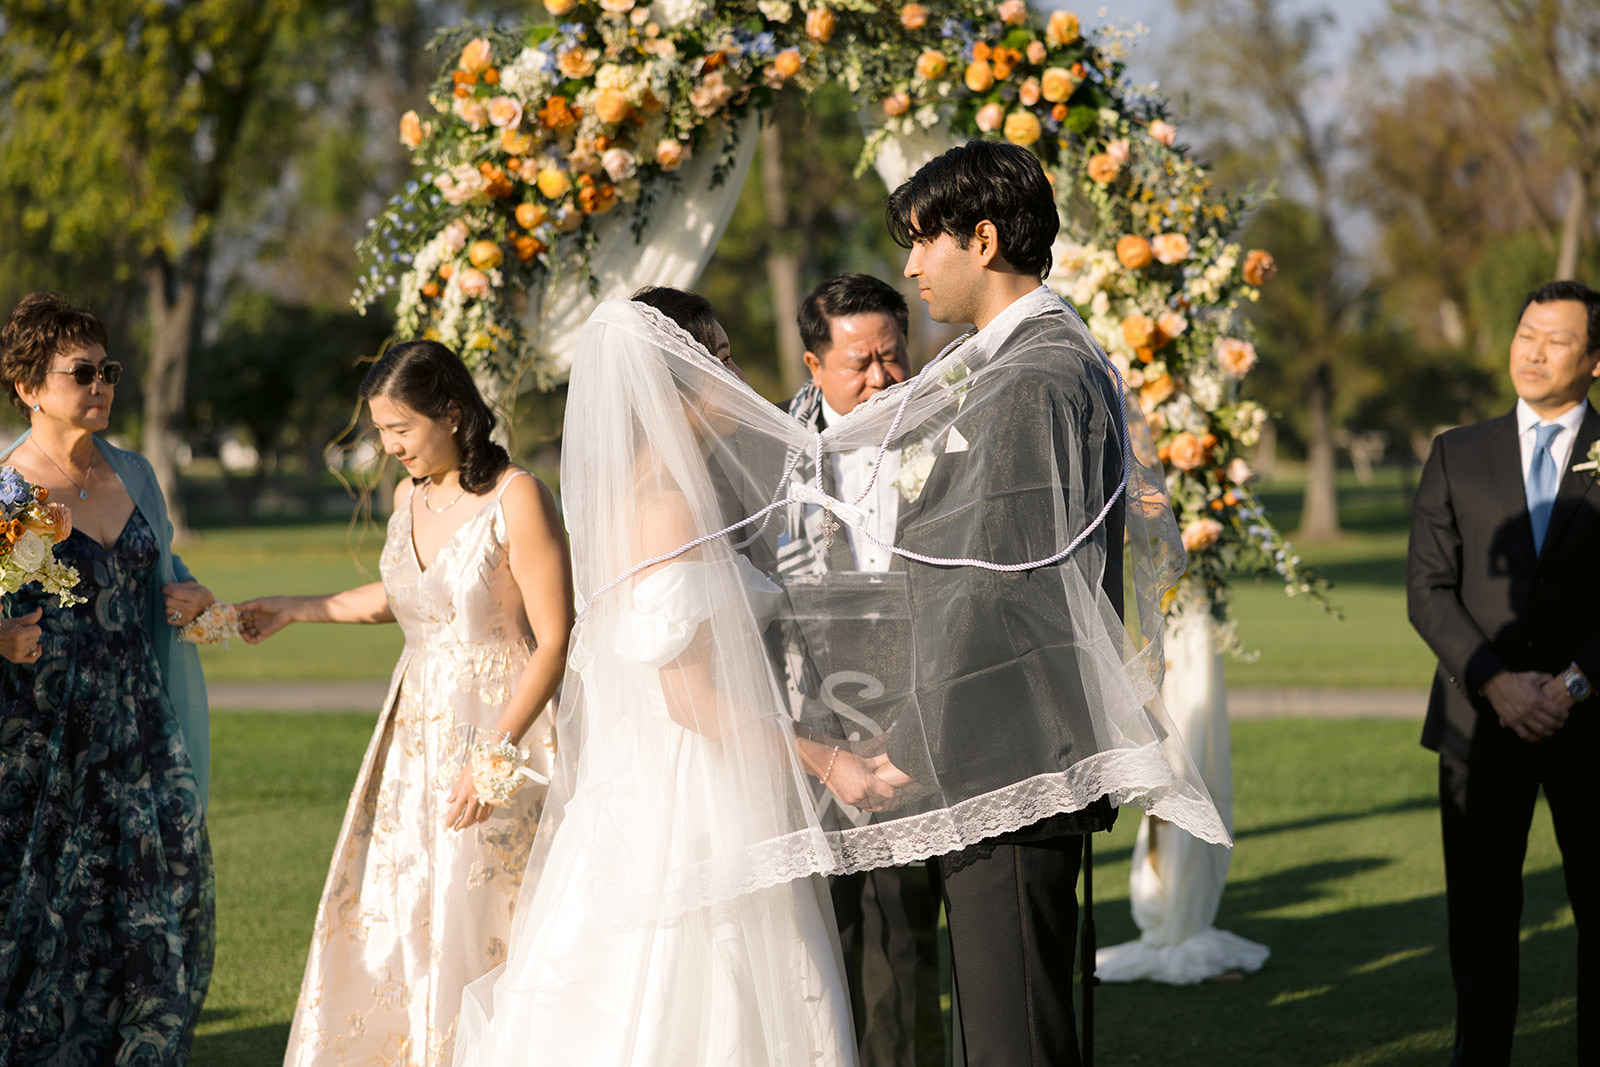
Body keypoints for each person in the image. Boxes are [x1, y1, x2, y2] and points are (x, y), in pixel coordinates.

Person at [452, 288, 858, 1067]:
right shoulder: (667, 505)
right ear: (677, 381)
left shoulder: (647, 491)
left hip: (647, 782)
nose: (738, 378)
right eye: (721, 360)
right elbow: (691, 698)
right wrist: (825, 758)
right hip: (694, 793)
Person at [238, 339, 574, 1066]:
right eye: (382, 432)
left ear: (452, 413)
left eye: (400, 430)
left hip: (505, 732)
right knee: (408, 911)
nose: (389, 448)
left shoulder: (517, 495)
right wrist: (297, 607)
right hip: (412, 740)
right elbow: (404, 602)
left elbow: (555, 638)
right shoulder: (408, 497)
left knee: (483, 913)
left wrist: (495, 757)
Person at [0, 290, 216, 1063]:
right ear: (29, 387)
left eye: (108, 370)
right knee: (52, 926)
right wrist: (3, 638)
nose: (100, 385)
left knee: (158, 911)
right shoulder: (11, 493)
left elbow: (165, 574)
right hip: (45, 746)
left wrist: (195, 597)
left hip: (141, 734)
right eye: (80, 371)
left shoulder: (134, 473)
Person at [1407, 279, 1599, 1065]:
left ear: (1594, 360)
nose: (1533, 350)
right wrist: (1496, 680)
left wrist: (1572, 683)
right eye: (1526, 332)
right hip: (1477, 724)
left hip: (1590, 723)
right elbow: (1428, 587)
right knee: (1482, 922)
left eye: (1555, 339)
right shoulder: (1458, 450)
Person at [782, 273, 942, 1067]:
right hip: (802, 723)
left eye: (893, 354)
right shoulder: (771, 453)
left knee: (903, 936)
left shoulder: (947, 430)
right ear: (813, 366)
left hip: (916, 718)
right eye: (860, 362)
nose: (884, 376)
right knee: (814, 936)